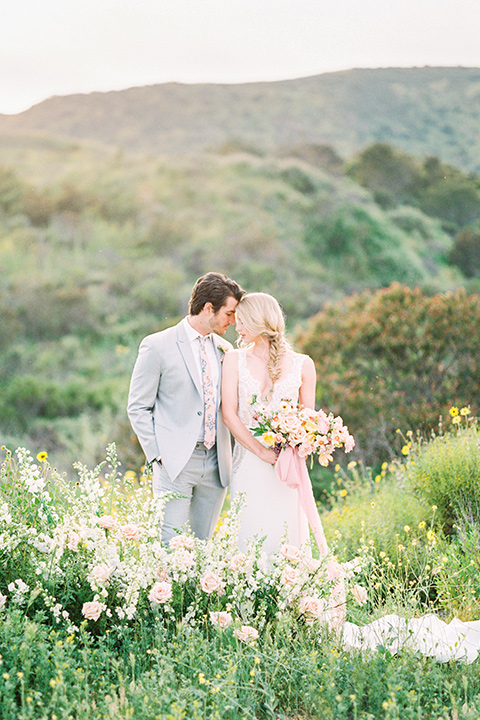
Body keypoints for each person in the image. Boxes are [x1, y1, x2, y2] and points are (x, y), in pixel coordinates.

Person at [127, 272, 244, 544]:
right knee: (170, 548)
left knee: (202, 548)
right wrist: (159, 456)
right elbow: (137, 407)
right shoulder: (156, 345)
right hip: (175, 463)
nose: (234, 320)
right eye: (229, 313)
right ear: (207, 308)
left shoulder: (226, 350)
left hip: (217, 465)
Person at [221, 292, 317, 555]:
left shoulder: (303, 365)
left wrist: (293, 448)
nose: (236, 328)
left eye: (242, 322)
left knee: (285, 539)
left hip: (285, 468)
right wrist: (261, 451)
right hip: (248, 464)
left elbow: (309, 421)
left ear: (259, 322)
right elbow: (229, 414)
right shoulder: (234, 359)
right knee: (249, 537)